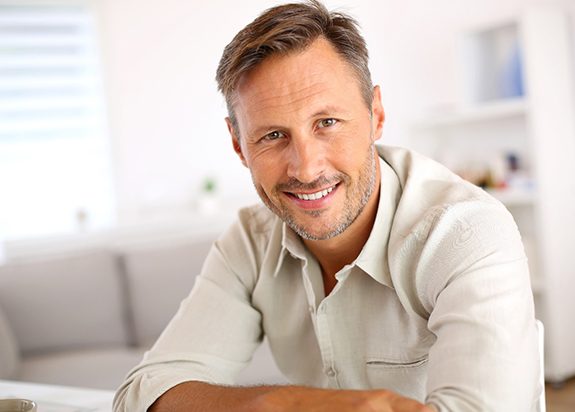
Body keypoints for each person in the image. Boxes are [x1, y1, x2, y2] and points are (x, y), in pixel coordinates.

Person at [113, 1, 540, 411]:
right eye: (272, 136)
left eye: (328, 123)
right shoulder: (250, 241)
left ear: (375, 114)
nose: (306, 167)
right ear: (238, 145)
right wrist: (279, 404)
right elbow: (143, 395)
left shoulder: (465, 231)